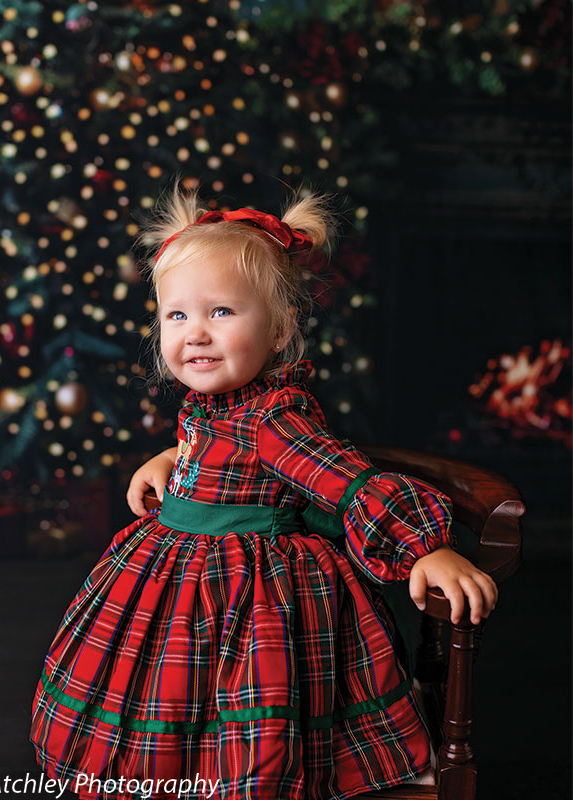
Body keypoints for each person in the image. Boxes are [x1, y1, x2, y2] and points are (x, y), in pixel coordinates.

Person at [30, 183, 498, 800]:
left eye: (221, 312)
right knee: (158, 685)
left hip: (248, 587)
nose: (195, 333)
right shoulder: (211, 403)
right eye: (178, 315)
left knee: (239, 698)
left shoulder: (276, 419)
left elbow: (350, 481)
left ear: (279, 330)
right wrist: (171, 457)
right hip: (176, 567)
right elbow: (218, 446)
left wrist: (423, 547)